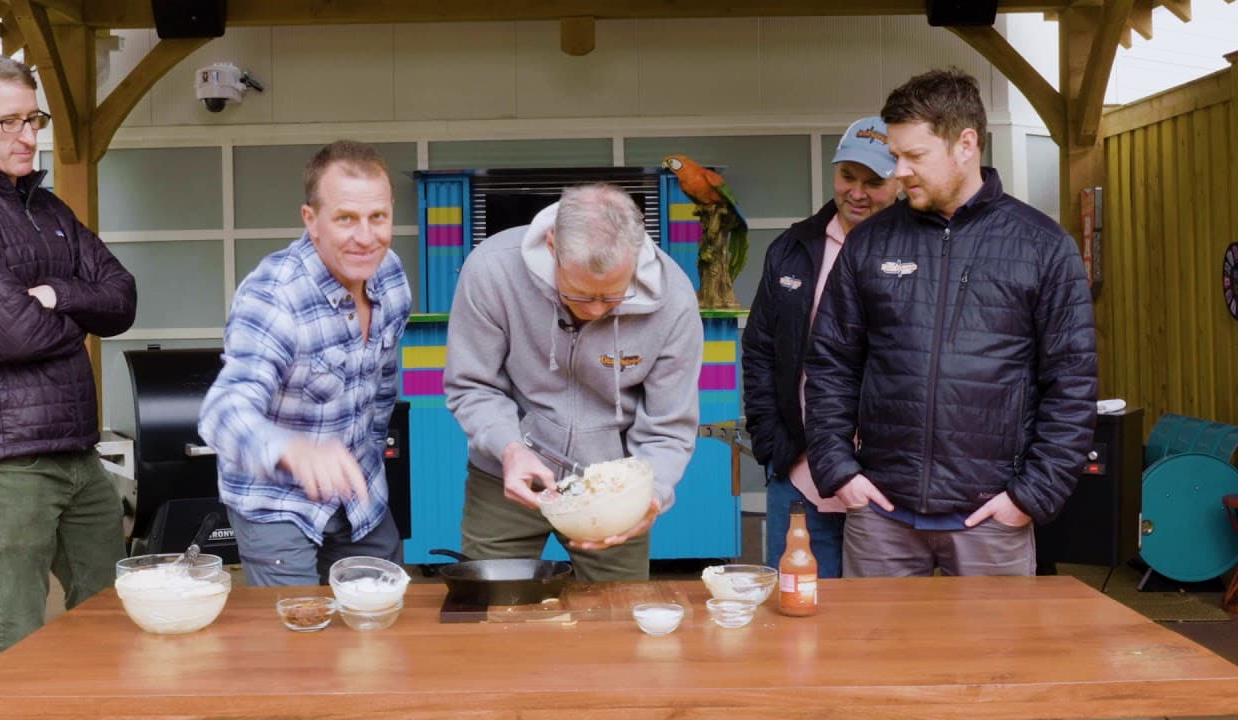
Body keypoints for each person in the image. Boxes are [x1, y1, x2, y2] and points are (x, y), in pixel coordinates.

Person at [805, 68, 1098, 578]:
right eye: (895, 155)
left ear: (966, 144)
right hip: (881, 517)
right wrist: (840, 472)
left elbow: (1071, 386)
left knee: (993, 661)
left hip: (992, 518)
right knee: (874, 658)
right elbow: (830, 365)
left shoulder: (1043, 246)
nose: (898, 172)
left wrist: (1029, 496)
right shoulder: (870, 243)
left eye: (914, 156)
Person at [0, 55, 137, 664]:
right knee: (15, 636)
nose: (28, 136)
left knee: (111, 614)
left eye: (33, 118)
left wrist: (62, 294)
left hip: (77, 452)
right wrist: (74, 322)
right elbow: (15, 334)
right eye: (9, 122)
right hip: (6, 460)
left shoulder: (50, 209)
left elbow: (122, 300)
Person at [444, 183, 703, 582]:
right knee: (494, 619)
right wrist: (508, 448)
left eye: (612, 297)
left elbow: (668, 427)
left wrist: (650, 496)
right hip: (507, 476)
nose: (597, 311)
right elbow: (474, 386)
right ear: (552, 246)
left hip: (614, 490)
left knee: (615, 623)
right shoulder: (493, 269)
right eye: (581, 295)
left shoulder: (675, 301)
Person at [198, 140, 411, 586]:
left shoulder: (390, 276)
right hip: (277, 503)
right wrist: (292, 451)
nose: (366, 237)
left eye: (378, 217)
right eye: (346, 219)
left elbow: (383, 385)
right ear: (311, 220)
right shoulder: (273, 297)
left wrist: (367, 456)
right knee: (297, 645)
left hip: (360, 493)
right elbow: (223, 412)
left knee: (378, 634)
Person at [741, 116, 898, 577]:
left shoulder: (920, 252)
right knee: (795, 610)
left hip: (885, 481)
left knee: (876, 626)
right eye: (848, 176)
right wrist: (770, 442)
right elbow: (760, 350)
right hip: (798, 472)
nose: (857, 192)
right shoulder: (793, 247)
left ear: (902, 182)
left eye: (875, 181)